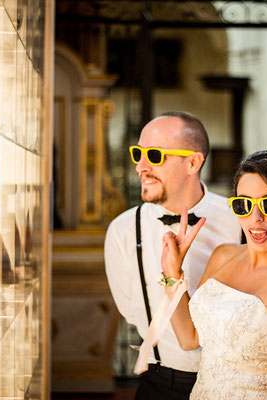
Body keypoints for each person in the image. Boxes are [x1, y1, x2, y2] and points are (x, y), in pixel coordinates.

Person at [160, 150, 267, 399]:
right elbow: (189, 338)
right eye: (243, 204)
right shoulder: (222, 256)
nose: (255, 219)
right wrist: (171, 272)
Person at [104, 111, 242, 399]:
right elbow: (130, 310)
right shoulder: (123, 230)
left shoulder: (238, 221)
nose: (141, 166)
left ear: (193, 162)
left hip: (231, 382)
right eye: (137, 154)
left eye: (154, 155)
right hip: (161, 385)